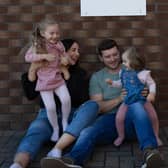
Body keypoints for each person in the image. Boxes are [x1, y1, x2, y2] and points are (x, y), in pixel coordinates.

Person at [41, 39, 163, 168]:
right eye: (108, 56)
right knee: (88, 131)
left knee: (136, 107)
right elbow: (98, 107)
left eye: (115, 54)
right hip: (110, 121)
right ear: (101, 58)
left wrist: (146, 92)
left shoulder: (130, 67)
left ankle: (149, 153)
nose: (113, 59)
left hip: (136, 120)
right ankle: (71, 161)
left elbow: (147, 82)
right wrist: (119, 99)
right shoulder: (97, 77)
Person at [10, 38, 99, 168]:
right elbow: (30, 95)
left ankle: (56, 150)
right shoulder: (42, 71)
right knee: (35, 131)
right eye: (73, 50)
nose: (77, 54)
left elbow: (80, 98)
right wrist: (33, 70)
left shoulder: (79, 73)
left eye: (78, 51)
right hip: (47, 116)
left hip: (71, 117)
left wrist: (64, 70)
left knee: (92, 106)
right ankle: (18, 164)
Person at [25, 17, 71, 142]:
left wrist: (65, 59)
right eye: (52, 33)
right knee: (50, 107)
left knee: (66, 99)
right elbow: (27, 57)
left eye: (57, 33)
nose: (55, 36)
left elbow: (64, 55)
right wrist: (43, 56)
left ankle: (65, 121)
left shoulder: (59, 45)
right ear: (43, 33)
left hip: (57, 78)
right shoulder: (39, 45)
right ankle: (55, 129)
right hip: (44, 81)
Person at [105, 46, 162, 147]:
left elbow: (152, 84)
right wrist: (112, 83)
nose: (123, 64)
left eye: (125, 61)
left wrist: (152, 93)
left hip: (142, 101)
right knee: (119, 118)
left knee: (153, 117)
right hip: (128, 101)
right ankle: (121, 136)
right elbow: (121, 83)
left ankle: (156, 136)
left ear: (134, 62)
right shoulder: (123, 73)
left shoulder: (143, 74)